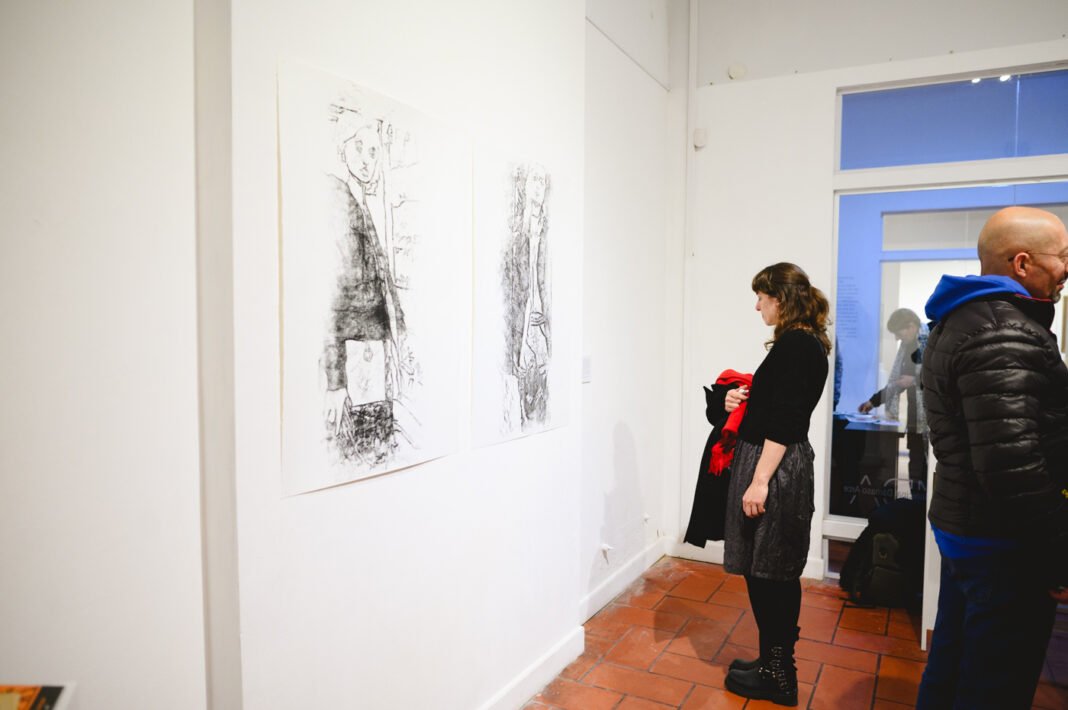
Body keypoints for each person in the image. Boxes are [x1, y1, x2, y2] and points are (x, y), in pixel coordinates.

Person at [916, 206, 1068, 709]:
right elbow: (1013, 468)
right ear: (1022, 263)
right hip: (1001, 541)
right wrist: (1058, 559)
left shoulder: (964, 318)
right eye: (1063, 256)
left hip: (969, 527)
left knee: (954, 660)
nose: (1067, 268)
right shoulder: (1004, 331)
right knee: (995, 684)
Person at [722, 263, 831, 707]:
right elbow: (779, 405)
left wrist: (760, 480)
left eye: (762, 298)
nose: (757, 306)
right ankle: (771, 661)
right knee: (765, 568)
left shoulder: (797, 346)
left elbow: (786, 420)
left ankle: (780, 676)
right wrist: (741, 399)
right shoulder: (800, 343)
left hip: (775, 466)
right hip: (776, 461)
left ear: (780, 300)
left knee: (773, 571)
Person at [322, 113, 407, 463]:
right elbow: (329, 296)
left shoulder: (358, 199)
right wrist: (335, 379)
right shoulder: (336, 197)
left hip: (372, 351)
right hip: (356, 352)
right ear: (342, 148)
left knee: (377, 448)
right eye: (358, 147)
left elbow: (381, 276)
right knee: (363, 453)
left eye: (373, 151)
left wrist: (398, 335)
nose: (366, 159)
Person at [858, 307, 929, 486]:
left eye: (898, 333)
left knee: (927, 470)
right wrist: (873, 401)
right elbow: (897, 382)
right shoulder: (907, 346)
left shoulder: (931, 342)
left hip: (930, 421)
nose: (897, 338)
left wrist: (915, 380)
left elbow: (940, 376)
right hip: (915, 420)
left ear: (911, 326)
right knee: (916, 468)